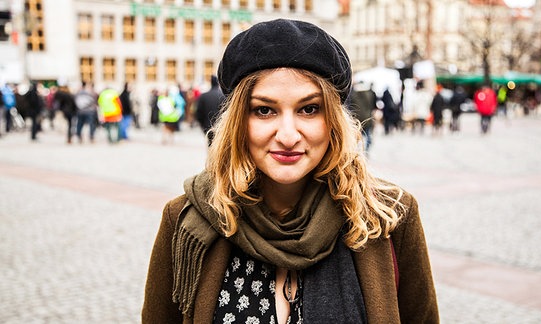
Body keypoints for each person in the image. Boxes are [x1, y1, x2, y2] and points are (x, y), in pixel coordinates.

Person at [142, 19, 438, 324]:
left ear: (334, 120)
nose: (287, 135)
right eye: (264, 110)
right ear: (238, 122)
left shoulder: (388, 216)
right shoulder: (185, 220)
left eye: (309, 109)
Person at [195, 75, 225, 146]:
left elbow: (198, 112)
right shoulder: (222, 95)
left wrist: (202, 125)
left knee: (210, 145)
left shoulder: (204, 96)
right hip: (220, 126)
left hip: (207, 125)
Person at [349, 80, 376, 153]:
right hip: (367, 118)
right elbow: (372, 106)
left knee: (357, 137)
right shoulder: (369, 94)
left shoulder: (353, 94)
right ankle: (366, 151)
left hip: (357, 119)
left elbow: (350, 107)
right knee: (367, 136)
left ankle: (357, 152)